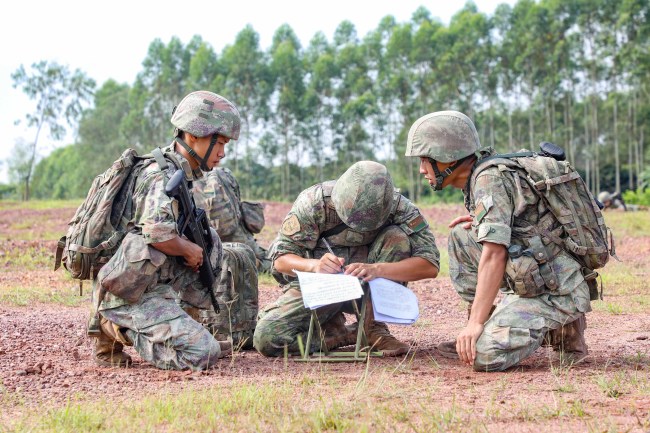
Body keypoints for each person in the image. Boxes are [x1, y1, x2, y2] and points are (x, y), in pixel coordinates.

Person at [405, 110, 591, 371]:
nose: (422, 169)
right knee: (462, 236)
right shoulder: (481, 176)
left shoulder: (488, 179)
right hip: (534, 273)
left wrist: (473, 326)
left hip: (556, 289)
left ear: (447, 158)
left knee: (485, 356)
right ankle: (488, 325)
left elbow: (495, 255)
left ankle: (563, 331)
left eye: (425, 160)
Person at [92, 90, 241, 370]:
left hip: (147, 285)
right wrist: (188, 249)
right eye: (218, 142)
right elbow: (156, 232)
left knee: (210, 239)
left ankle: (184, 322)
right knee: (203, 354)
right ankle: (111, 325)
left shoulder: (180, 173)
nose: (222, 152)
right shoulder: (160, 176)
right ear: (192, 135)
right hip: (129, 291)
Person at [253, 161, 440, 357]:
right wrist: (314, 265)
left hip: (368, 290)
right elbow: (280, 260)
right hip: (319, 291)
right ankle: (340, 333)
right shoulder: (314, 202)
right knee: (267, 339)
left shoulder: (401, 209)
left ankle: (372, 328)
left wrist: (377, 269)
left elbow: (429, 265)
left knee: (397, 238)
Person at [194, 167, 272, 273]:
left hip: (205, 239)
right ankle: (255, 263)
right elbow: (236, 204)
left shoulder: (189, 175)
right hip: (237, 235)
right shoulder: (223, 173)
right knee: (268, 261)